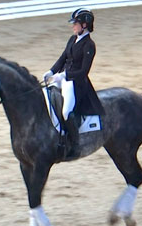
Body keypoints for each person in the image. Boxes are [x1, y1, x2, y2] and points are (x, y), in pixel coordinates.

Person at [43, 8, 104, 157]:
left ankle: (75, 144)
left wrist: (64, 75)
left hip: (75, 83)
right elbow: (63, 58)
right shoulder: (72, 39)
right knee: (45, 94)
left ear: (84, 25)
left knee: (66, 111)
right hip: (62, 77)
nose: (73, 26)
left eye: (75, 24)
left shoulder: (89, 45)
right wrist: (51, 72)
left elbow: (84, 71)